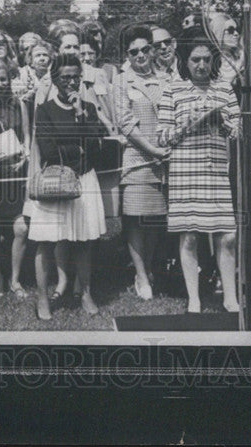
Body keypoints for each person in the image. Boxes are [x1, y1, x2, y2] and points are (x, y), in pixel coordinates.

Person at [157, 27, 241, 313]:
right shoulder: (173, 89)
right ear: (185, 61)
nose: (202, 65)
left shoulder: (224, 88)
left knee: (227, 235)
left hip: (215, 168)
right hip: (185, 169)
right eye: (195, 60)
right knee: (189, 235)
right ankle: (194, 298)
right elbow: (162, 136)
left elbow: (239, 129)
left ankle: (230, 296)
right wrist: (187, 124)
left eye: (206, 59)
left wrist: (224, 123)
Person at [25, 53, 109, 320]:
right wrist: (80, 143)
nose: (71, 82)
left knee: (85, 241)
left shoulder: (88, 108)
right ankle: (42, 299)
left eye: (76, 77)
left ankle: (85, 293)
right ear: (54, 79)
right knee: (46, 242)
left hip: (85, 180)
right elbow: (49, 149)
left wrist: (81, 116)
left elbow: (98, 148)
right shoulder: (44, 109)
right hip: (56, 180)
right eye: (65, 78)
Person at [112, 25, 171, 300]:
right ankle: (141, 274)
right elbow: (125, 123)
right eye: (134, 51)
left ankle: (148, 267)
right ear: (127, 54)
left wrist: (167, 148)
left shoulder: (166, 78)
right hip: (137, 159)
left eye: (145, 49)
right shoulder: (122, 81)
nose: (140, 55)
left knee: (155, 218)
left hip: (166, 160)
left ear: (152, 49)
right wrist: (153, 151)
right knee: (136, 219)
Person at [0, 58, 31, 299]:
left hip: (17, 174)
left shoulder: (18, 103)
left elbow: (28, 136)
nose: (0, 84)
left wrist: (25, 158)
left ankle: (15, 279)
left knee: (20, 228)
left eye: (4, 79)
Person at [13, 39, 51, 103]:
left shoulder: (53, 74)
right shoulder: (22, 74)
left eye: (45, 55)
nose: (42, 58)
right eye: (38, 55)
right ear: (31, 59)